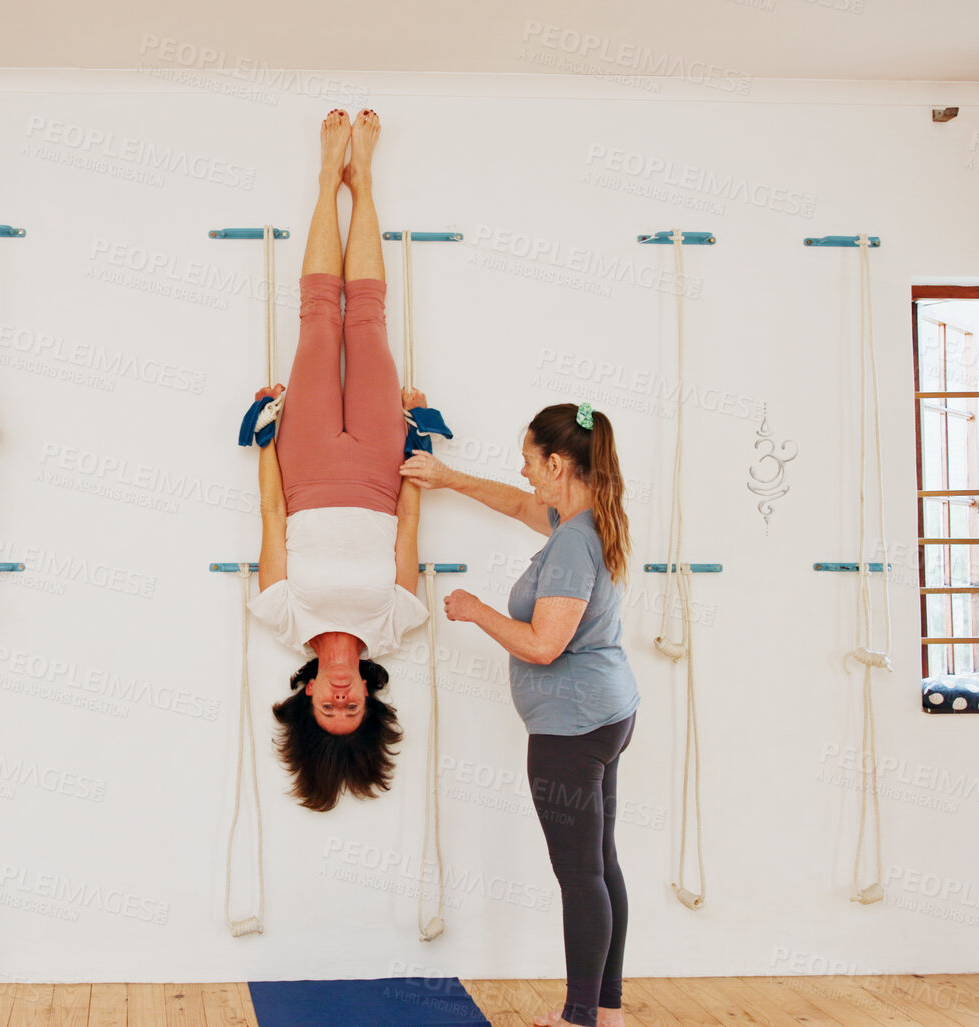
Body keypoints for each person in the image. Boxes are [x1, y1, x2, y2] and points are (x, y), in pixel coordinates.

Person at [401, 402, 639, 1027]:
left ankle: (579, 1018)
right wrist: (449, 478)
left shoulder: (574, 544)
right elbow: (514, 504)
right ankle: (606, 1014)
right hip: (604, 714)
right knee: (599, 866)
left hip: (573, 729)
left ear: (558, 464)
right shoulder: (589, 516)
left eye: (530, 460)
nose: (524, 471)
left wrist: (474, 609)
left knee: (580, 876)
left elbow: (543, 645)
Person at [248, 110, 434, 811]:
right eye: (350, 708)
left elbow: (271, 514)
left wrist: (266, 433)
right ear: (367, 699)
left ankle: (330, 178)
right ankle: (367, 182)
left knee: (321, 318)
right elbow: (409, 526)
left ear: (304, 698)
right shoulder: (397, 622)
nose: (339, 697)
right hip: (382, 470)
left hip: (305, 465)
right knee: (369, 320)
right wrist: (418, 440)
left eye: (327, 708)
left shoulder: (281, 615)